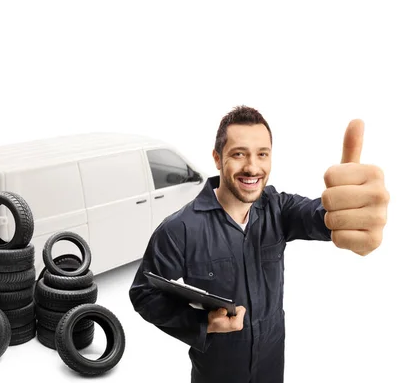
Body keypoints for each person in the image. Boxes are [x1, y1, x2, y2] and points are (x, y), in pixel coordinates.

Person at [128, 105, 389, 383]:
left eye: (262, 154)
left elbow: (320, 216)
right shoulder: (180, 228)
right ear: (218, 159)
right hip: (218, 371)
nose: (252, 167)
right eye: (239, 154)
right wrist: (203, 323)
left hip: (270, 364)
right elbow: (144, 293)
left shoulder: (278, 208)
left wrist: (347, 213)